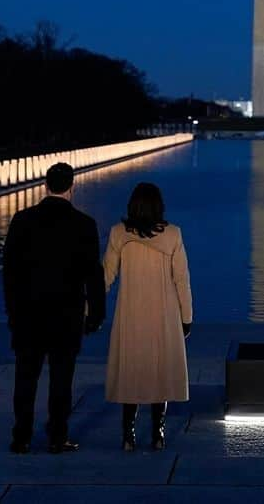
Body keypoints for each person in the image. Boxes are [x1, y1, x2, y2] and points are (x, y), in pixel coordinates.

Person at [2, 162, 105, 455]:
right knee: (62, 379)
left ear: (45, 186)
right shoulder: (84, 224)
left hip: (28, 315)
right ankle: (57, 437)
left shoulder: (22, 220)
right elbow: (92, 275)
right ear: (72, 186)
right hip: (66, 315)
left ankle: (21, 437)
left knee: (25, 377)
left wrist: (12, 312)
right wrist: (96, 315)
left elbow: (10, 272)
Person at [103, 182, 192, 451]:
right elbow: (181, 281)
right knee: (159, 371)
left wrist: (89, 308)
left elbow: (106, 275)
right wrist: (186, 317)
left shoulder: (118, 234)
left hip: (130, 313)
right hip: (163, 314)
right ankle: (158, 433)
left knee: (131, 371)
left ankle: (128, 434)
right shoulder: (173, 235)